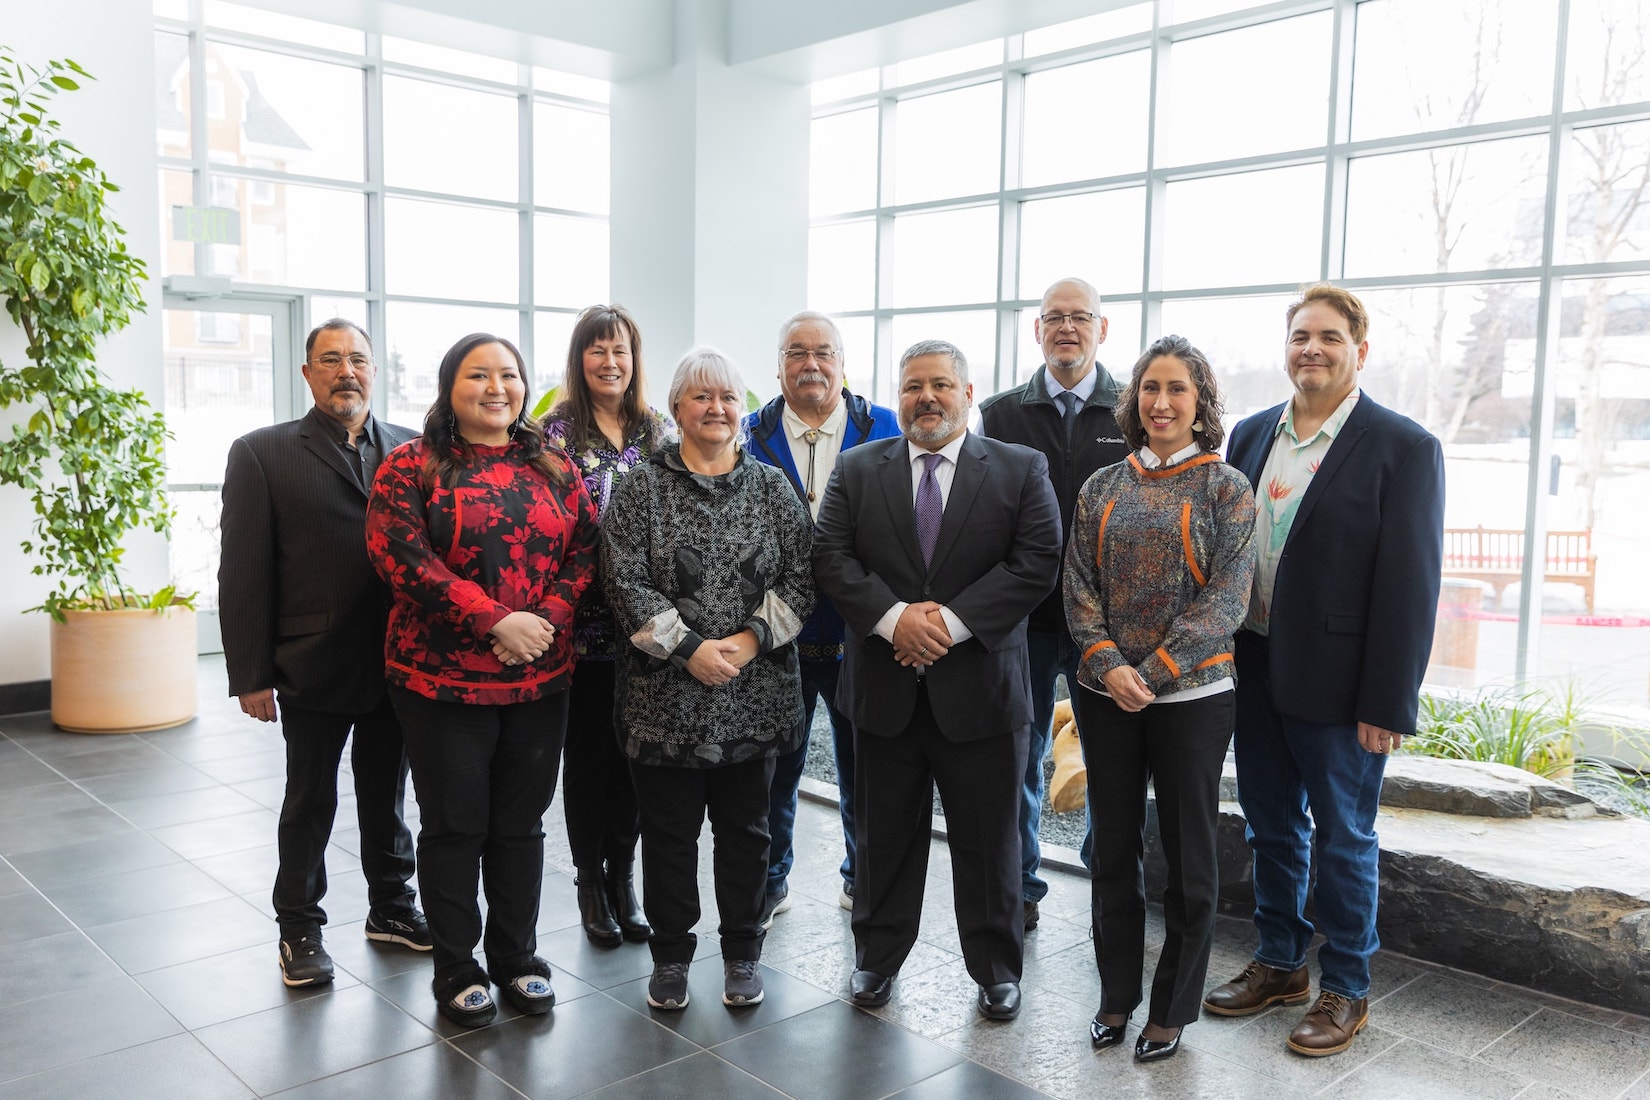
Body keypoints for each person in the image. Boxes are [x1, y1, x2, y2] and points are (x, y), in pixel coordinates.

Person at [1202, 285, 1444, 1057]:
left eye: (1329, 337)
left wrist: (1389, 700)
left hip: (1343, 687)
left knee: (1344, 837)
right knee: (1271, 827)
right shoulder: (1248, 434)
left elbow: (1412, 585)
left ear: (1359, 351)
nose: (1312, 348)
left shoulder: (1402, 447)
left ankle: (1347, 987)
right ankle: (1280, 963)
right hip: (1256, 666)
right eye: (1301, 336)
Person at [812, 340, 1062, 1022]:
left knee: (990, 842)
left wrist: (945, 626)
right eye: (913, 385)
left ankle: (996, 970)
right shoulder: (858, 469)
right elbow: (829, 557)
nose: (926, 397)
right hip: (883, 690)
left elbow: (1037, 562)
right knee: (884, 834)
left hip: (980, 693)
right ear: (899, 394)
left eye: (940, 385)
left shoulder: (1018, 469)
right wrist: (895, 621)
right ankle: (876, 960)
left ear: (968, 390)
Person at [365, 333, 600, 1028]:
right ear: (450, 385)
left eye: (509, 375)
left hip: (540, 676)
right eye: (478, 375)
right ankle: (457, 967)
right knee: (455, 825)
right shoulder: (412, 465)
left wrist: (547, 619)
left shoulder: (554, 465)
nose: (496, 388)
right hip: (440, 681)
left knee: (521, 826)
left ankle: (517, 959)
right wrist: (495, 620)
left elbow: (586, 550)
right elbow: (399, 556)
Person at [602, 346, 814, 1012]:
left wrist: (747, 643)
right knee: (666, 836)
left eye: (727, 397)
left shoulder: (772, 487)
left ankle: (743, 953)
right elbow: (622, 580)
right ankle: (670, 958)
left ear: (741, 410)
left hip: (754, 699)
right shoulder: (641, 487)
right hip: (662, 700)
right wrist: (690, 649)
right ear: (676, 410)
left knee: (747, 835)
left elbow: (802, 577)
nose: (716, 409)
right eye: (701, 397)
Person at [1064, 335, 1256, 1062]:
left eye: (1178, 389)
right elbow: (1076, 586)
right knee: (1112, 852)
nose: (1163, 402)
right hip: (1106, 693)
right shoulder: (1102, 486)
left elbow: (1228, 598)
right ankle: (1116, 998)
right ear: (1134, 399)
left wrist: (1160, 668)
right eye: (1151, 388)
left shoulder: (1225, 488)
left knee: (1188, 858)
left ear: (1201, 402)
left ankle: (1171, 1009)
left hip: (1194, 700)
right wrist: (1110, 664)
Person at [219, 319, 427, 989]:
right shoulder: (262, 453)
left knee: (386, 797)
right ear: (307, 373)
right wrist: (251, 674)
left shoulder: (411, 450)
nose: (347, 371)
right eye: (331, 359)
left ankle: (392, 907)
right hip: (311, 661)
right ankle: (299, 927)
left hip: (398, 660)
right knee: (309, 800)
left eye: (359, 359)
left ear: (375, 371)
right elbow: (243, 573)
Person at [979, 277, 1129, 928]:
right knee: (1020, 752)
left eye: (1080, 317)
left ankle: (1110, 879)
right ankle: (1019, 889)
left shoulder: (1134, 409)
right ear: (1036, 331)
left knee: (1113, 759)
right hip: (1028, 621)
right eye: (1054, 318)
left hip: (1108, 624)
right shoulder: (1001, 413)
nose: (1067, 328)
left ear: (1103, 328)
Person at [744, 310, 900, 923]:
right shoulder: (751, 434)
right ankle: (770, 879)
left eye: (823, 352)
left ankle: (863, 877)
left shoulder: (884, 428)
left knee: (865, 767)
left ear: (842, 362)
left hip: (865, 635)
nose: (811, 364)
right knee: (773, 768)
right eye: (796, 352)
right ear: (779, 366)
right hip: (773, 635)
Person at [544, 304, 671, 948]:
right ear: (580, 359)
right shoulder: (553, 434)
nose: (610, 362)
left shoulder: (658, 431)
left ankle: (625, 880)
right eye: (597, 350)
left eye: (620, 349)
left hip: (648, 633)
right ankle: (590, 885)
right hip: (582, 633)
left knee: (635, 762)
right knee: (588, 759)